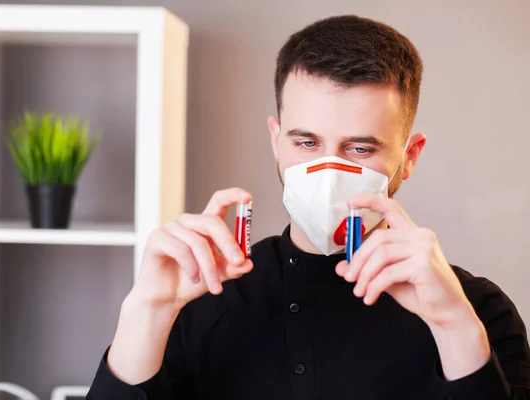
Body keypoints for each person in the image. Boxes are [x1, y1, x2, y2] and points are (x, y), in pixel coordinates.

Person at [86, 15, 530, 399]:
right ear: (276, 141)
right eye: (307, 142)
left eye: (358, 148)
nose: (327, 171)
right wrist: (147, 310)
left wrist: (454, 326)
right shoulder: (198, 300)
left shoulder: (480, 311)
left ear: (409, 157)